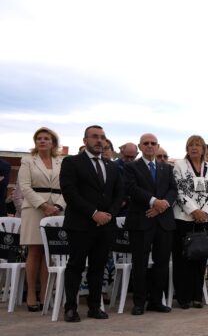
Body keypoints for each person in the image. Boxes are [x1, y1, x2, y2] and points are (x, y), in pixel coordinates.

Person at [60, 125, 124, 322]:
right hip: (80, 224)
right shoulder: (72, 162)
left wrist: (109, 215)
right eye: (94, 137)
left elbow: (119, 194)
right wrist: (94, 213)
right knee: (76, 266)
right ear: (85, 140)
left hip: (105, 226)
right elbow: (70, 192)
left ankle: (95, 307)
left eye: (102, 137)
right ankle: (71, 307)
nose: (99, 140)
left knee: (98, 267)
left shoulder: (111, 166)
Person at [123, 133, 176, 315]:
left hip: (163, 222)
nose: (150, 146)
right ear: (140, 146)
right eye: (146, 143)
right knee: (140, 263)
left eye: (153, 143)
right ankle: (139, 302)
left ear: (158, 145)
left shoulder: (166, 168)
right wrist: (154, 201)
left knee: (161, 263)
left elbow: (173, 190)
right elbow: (131, 188)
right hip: (141, 220)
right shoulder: (131, 167)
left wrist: (162, 206)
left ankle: (156, 301)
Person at [18, 127, 66, 311]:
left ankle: (45, 293)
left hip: (57, 209)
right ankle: (31, 294)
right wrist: (43, 205)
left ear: (53, 142)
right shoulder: (28, 160)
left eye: (46, 138)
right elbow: (24, 186)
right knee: (35, 251)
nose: (42, 141)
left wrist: (58, 206)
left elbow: (68, 187)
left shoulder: (61, 162)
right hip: (34, 208)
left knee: (50, 252)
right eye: (39, 138)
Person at [172, 135, 208, 308]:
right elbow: (179, 190)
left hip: (207, 219)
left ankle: (197, 296)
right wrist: (194, 211)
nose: (194, 148)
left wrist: (205, 212)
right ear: (187, 148)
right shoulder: (179, 165)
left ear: (203, 149)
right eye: (191, 145)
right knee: (183, 258)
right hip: (185, 217)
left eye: (198, 145)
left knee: (201, 257)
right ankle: (183, 297)